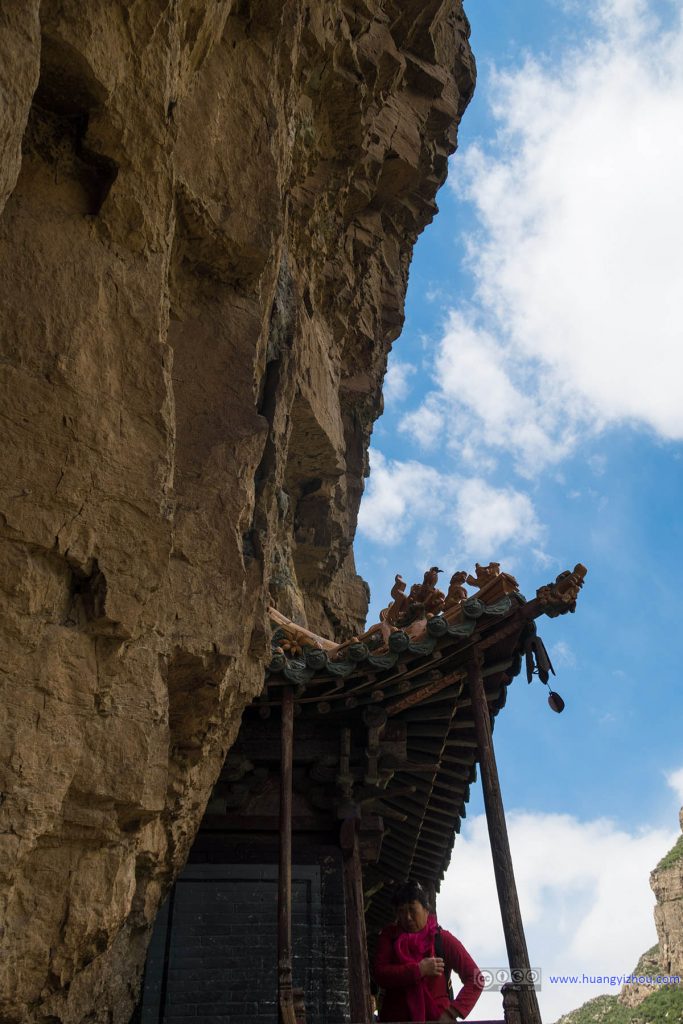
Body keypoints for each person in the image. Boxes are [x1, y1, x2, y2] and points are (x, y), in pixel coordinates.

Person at [373, 880, 484, 1022]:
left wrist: (452, 1012)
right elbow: (380, 974)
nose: (407, 917)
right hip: (396, 1019)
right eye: (402, 911)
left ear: (426, 909)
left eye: (412, 910)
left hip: (436, 1019)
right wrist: (418, 970)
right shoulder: (389, 937)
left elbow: (476, 978)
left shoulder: (441, 939)